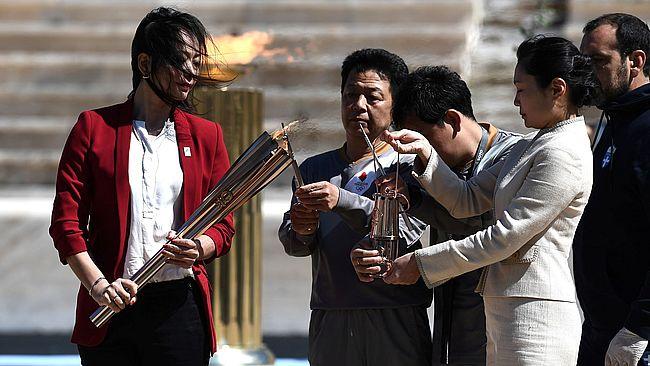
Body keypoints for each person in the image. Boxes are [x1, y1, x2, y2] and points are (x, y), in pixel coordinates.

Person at [379, 35, 597, 364]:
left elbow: (505, 236)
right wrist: (425, 150)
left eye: (522, 89)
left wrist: (424, 264)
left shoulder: (563, 151)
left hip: (536, 319)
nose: (515, 101)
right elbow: (467, 198)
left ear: (557, 89)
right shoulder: (532, 145)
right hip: (505, 315)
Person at [49, 7, 235, 365]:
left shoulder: (207, 136)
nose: (191, 74)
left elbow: (224, 225)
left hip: (178, 308)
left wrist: (199, 248)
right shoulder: (93, 128)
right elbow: (66, 224)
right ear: (145, 64)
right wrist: (99, 286)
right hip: (109, 306)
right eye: (180, 61)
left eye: (196, 61)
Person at [351, 65, 521, 365]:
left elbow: (485, 224)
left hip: (504, 329)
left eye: (426, 142)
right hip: (452, 330)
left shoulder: (514, 156)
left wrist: (418, 197)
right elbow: (407, 226)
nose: (422, 153)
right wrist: (370, 248)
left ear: (453, 120)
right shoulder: (426, 169)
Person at [278, 48, 433, 366]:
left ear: (395, 106)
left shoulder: (412, 166)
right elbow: (295, 243)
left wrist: (343, 200)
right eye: (350, 95)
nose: (358, 106)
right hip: (331, 316)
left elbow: (405, 229)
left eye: (372, 97)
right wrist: (302, 229)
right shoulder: (313, 168)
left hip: (395, 316)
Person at [574, 13, 650, 366]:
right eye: (583, 61)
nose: (588, 72)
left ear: (635, 61)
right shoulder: (613, 118)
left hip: (636, 338)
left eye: (599, 61)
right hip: (600, 328)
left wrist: (639, 327)